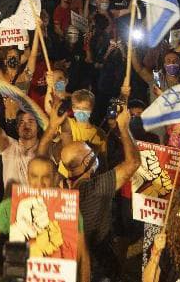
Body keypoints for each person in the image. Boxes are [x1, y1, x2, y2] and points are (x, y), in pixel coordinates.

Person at [58, 97, 140, 282]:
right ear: (87, 162)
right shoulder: (96, 188)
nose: (95, 154)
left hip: (66, 257)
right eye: (90, 152)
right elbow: (133, 162)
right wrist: (124, 129)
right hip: (97, 261)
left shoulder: (60, 185)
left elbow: (65, 138)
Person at [0, 155, 91, 282]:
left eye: (46, 177)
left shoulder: (69, 208)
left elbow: (82, 254)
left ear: (56, 178)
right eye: (34, 176)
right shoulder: (11, 206)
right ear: (27, 177)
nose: (40, 184)